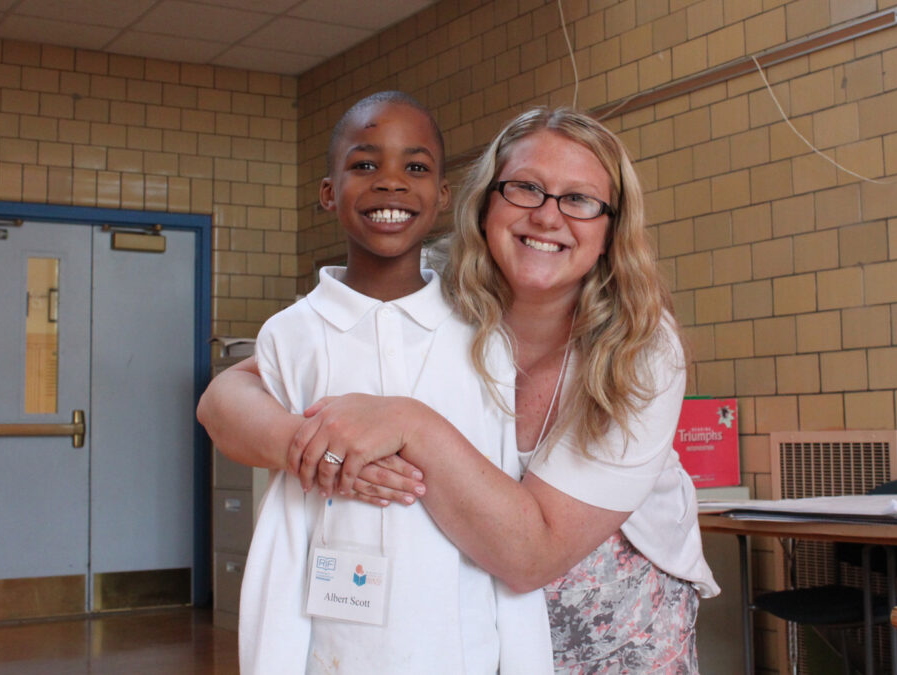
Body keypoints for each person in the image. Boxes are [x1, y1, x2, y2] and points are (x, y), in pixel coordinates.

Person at [200, 107, 718, 674]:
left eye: (580, 200)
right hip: (463, 609)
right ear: (485, 201)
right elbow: (227, 397)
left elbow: (530, 555)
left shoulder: (642, 346)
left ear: (610, 229)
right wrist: (313, 445)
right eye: (526, 189)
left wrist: (410, 423)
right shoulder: (427, 284)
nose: (548, 217)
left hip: (616, 612)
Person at [232, 91, 552, 674]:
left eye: (416, 167)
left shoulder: (483, 336)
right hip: (333, 654)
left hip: (462, 651)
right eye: (364, 164)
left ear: (443, 197)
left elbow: (503, 499)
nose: (391, 183)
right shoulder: (290, 336)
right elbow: (286, 526)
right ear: (328, 193)